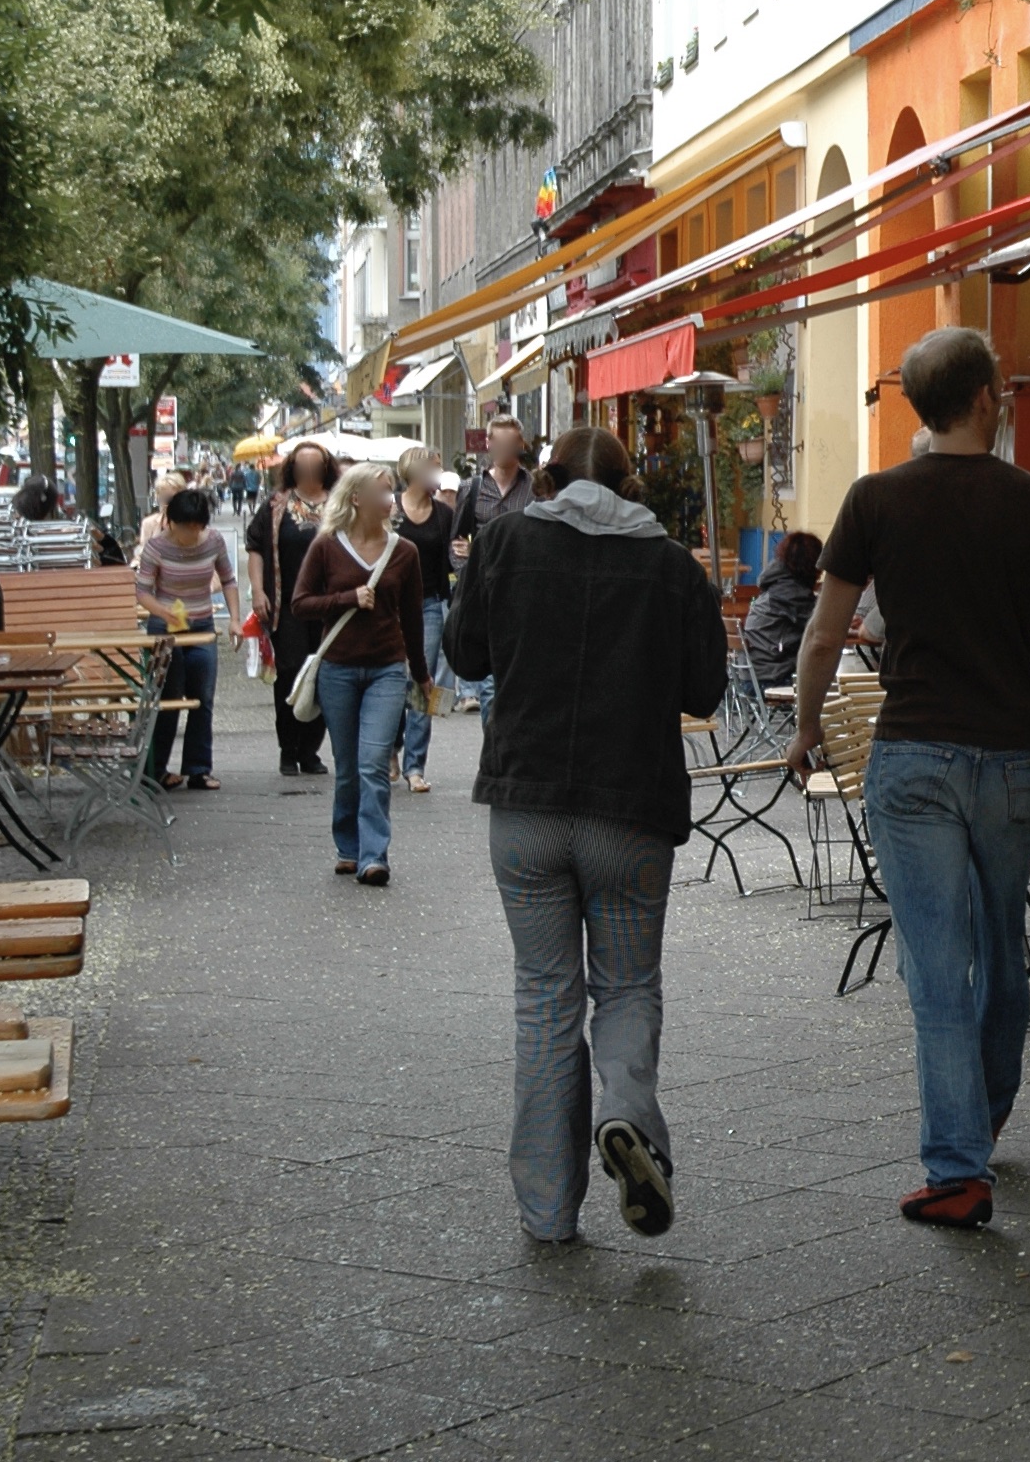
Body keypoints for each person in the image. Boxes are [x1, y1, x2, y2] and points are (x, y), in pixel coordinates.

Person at [784, 328, 1030, 1229]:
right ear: (985, 399)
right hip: (1008, 755)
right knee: (1002, 949)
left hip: (914, 751)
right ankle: (983, 1118)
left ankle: (958, 1164)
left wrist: (808, 723)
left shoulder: (874, 499)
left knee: (936, 961)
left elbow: (823, 632)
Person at [442, 426, 726, 1245]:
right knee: (628, 987)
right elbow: (705, 688)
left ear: (549, 478)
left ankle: (547, 1211)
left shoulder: (503, 542)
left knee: (545, 996)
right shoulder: (673, 566)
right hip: (630, 811)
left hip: (527, 807)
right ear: (630, 485)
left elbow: (464, 655)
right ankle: (629, 1115)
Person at [290, 462, 429, 885]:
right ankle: (348, 846)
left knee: (372, 762)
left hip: (388, 669)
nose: (391, 498)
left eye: (393, 490)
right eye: (383, 491)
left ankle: (374, 856)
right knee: (348, 766)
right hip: (339, 669)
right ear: (356, 498)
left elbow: (413, 617)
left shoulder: (405, 552)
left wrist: (420, 675)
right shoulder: (327, 546)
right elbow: (300, 603)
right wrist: (347, 598)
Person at [131, 487, 236, 792]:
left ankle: (198, 769)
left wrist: (235, 620)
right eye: (185, 527)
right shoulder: (156, 547)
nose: (191, 534)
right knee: (168, 700)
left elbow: (228, 579)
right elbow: (143, 592)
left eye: (197, 527)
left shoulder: (214, 541)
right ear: (171, 521)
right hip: (165, 630)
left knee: (202, 698)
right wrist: (164, 613)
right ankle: (158, 769)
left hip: (201, 624)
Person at [246, 443, 341, 777]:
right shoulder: (276, 506)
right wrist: (258, 591)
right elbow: (255, 547)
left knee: (325, 677)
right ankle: (288, 749)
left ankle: (311, 750)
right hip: (287, 606)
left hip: (331, 606)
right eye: (303, 467)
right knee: (288, 676)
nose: (309, 472)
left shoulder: (341, 503)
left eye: (316, 466)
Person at [450, 416, 542, 717]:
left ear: (520, 445)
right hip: (486, 591)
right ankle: (495, 752)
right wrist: (468, 577)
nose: (503, 450)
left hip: (523, 592)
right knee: (490, 684)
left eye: (510, 444)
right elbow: (457, 543)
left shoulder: (534, 488)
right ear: (488, 444)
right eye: (498, 443)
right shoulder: (472, 487)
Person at [391, 446, 458, 795]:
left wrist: (462, 557)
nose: (438, 474)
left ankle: (414, 765)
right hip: (390, 606)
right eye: (434, 468)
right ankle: (390, 747)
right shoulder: (391, 511)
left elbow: (451, 558)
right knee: (391, 680)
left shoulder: (443, 514)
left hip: (429, 604)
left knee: (422, 683)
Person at [742, 530, 824, 683]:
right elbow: (823, 625)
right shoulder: (790, 592)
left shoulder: (776, 585)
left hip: (754, 677)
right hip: (774, 677)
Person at [134, 470, 188, 548]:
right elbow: (142, 555)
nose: (170, 503)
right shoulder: (149, 523)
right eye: (165, 498)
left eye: (175, 498)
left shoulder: (192, 524)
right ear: (158, 497)